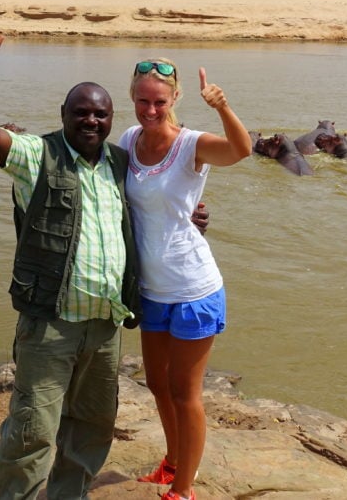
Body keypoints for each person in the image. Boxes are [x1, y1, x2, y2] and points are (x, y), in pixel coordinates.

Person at [0, 36, 207, 500]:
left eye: (101, 114)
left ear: (113, 121)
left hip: (105, 326)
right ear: (64, 115)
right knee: (32, 432)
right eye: (82, 112)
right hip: (51, 325)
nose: (91, 120)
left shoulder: (120, 161)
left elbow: (157, 200)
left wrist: (191, 216)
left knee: (92, 430)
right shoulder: (38, 156)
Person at [119, 58, 251, 500]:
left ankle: (183, 490)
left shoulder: (192, 145)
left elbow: (240, 151)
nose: (150, 110)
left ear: (174, 99)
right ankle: (171, 463)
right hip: (151, 289)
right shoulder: (127, 140)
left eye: (159, 101)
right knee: (157, 384)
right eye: (143, 100)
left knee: (185, 394)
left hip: (193, 288)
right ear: (132, 97)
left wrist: (223, 108)